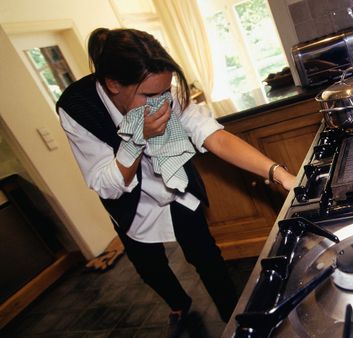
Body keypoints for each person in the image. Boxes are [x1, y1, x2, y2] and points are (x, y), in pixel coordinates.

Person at [56, 27, 296, 337]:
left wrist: (278, 173)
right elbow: (107, 184)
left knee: (207, 258)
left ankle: (236, 320)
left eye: (165, 91)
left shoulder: (164, 89)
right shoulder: (77, 108)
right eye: (150, 96)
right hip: (131, 204)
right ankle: (179, 304)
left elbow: (215, 138)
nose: (162, 103)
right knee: (150, 268)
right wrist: (137, 138)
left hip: (176, 188)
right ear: (114, 84)